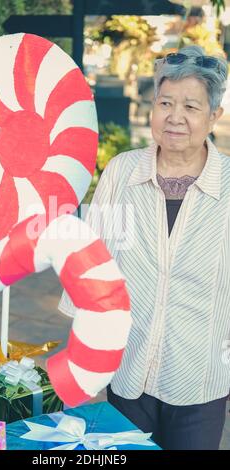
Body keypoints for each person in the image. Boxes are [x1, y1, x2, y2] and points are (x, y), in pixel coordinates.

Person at [58, 45, 230, 450]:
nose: (175, 117)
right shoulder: (122, 170)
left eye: (190, 106)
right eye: (165, 103)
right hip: (127, 372)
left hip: (200, 381)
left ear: (214, 116)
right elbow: (90, 266)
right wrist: (80, 360)